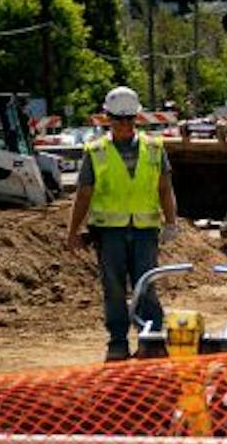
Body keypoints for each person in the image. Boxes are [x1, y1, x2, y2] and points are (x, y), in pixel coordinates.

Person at [65, 86, 176, 360]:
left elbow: (164, 188)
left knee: (145, 284)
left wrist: (171, 221)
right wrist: (73, 230)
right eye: (118, 119)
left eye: (129, 119)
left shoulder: (154, 148)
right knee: (113, 287)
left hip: (144, 230)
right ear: (107, 118)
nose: (124, 125)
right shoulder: (96, 151)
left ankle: (151, 337)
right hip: (108, 232)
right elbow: (84, 194)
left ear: (137, 118)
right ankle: (117, 341)